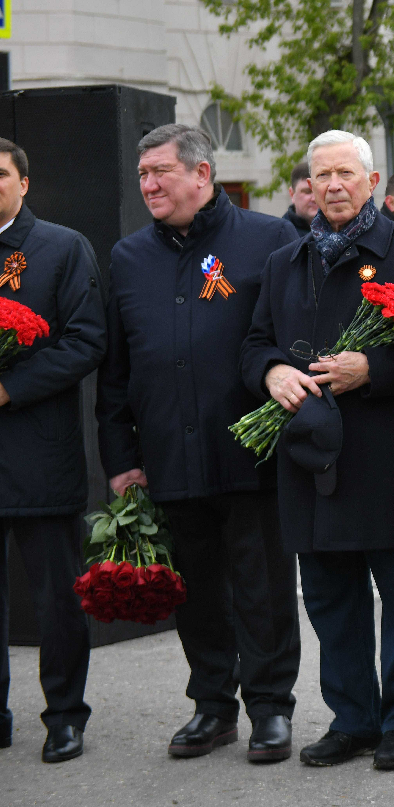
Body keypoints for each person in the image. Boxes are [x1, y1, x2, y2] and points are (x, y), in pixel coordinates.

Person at [240, 129, 394, 772]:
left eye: (345, 175)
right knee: (331, 599)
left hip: (380, 455)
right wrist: (272, 372)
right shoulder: (285, 261)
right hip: (308, 458)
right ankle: (353, 717)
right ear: (307, 185)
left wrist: (374, 370)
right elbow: (254, 345)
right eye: (321, 175)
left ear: (371, 183)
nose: (332, 186)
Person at [97, 124, 301, 764]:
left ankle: (270, 708)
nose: (149, 184)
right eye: (142, 175)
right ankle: (213, 708)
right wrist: (123, 458)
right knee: (198, 594)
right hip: (168, 459)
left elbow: (289, 341)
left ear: (202, 174)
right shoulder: (129, 257)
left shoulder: (268, 239)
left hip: (249, 456)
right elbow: (115, 372)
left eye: (160, 171)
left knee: (262, 589)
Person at [0, 138, 105, 764]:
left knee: (56, 600)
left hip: (39, 452)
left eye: (0, 174)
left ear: (24, 183)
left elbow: (87, 340)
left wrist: (10, 388)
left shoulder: (61, 248)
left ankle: (65, 715)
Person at [283, 161, 318, 235]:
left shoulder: (343, 230)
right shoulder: (281, 235)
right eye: (307, 192)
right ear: (292, 194)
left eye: (318, 192)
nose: (314, 199)